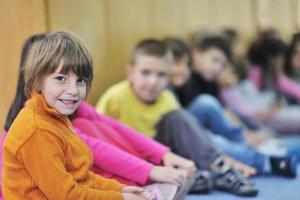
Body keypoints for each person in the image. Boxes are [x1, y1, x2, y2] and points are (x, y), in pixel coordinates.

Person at [2, 33, 196, 200]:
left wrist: (119, 188)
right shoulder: (36, 129)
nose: (73, 90)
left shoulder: (56, 115)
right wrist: (120, 197)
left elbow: (82, 176)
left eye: (80, 81)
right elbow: (66, 195)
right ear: (36, 80)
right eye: (60, 78)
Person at [97, 38, 260, 197]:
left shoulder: (167, 98)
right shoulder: (114, 97)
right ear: (130, 73)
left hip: (161, 157)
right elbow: (98, 138)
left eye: (161, 75)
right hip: (129, 161)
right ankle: (200, 179)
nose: (153, 81)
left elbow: (189, 137)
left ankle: (221, 171)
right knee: (192, 177)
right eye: (145, 73)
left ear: (168, 78)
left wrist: (229, 163)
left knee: (178, 117)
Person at [163, 36, 298, 178]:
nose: (217, 68)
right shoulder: (177, 85)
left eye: (221, 64)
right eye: (215, 60)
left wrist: (245, 135)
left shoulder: (206, 82)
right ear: (197, 55)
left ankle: (252, 147)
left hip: (197, 136)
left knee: (210, 116)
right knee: (210, 131)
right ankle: (264, 160)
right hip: (182, 141)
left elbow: (225, 114)